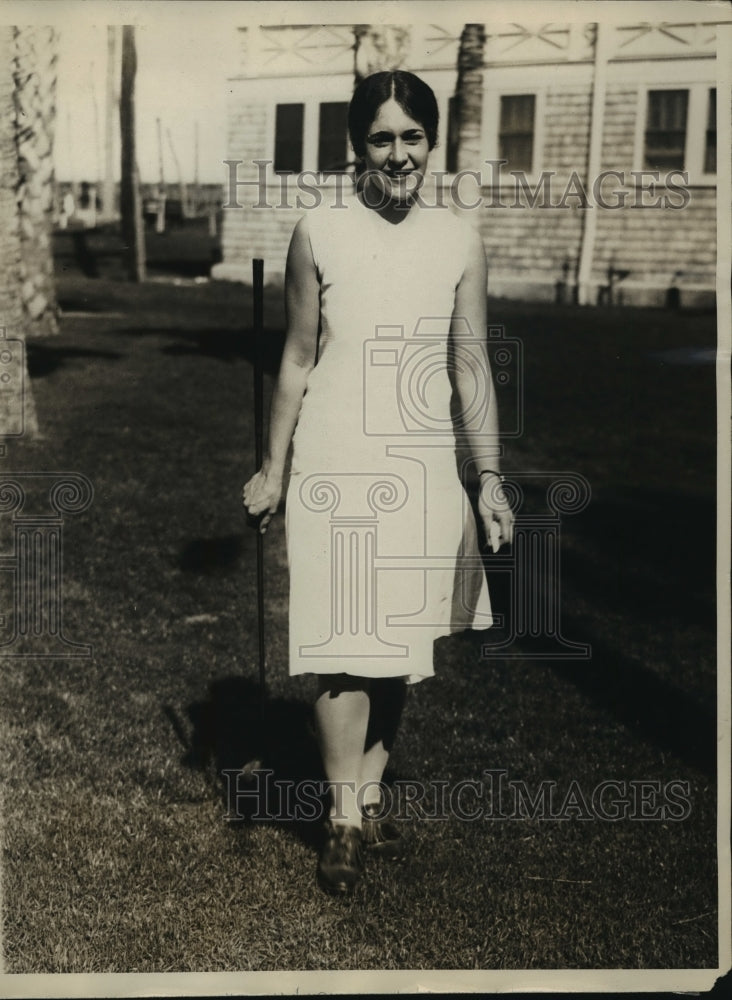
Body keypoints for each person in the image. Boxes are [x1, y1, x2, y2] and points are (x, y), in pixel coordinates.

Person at [243, 70, 514, 895]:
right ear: (357, 146)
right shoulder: (319, 229)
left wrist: (491, 478)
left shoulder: (458, 238)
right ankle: (342, 817)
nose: (398, 156)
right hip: (335, 461)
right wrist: (271, 466)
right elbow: (295, 356)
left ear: (433, 143)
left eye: (412, 138)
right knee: (341, 649)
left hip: (423, 465)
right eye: (381, 139)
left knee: (397, 651)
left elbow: (470, 367)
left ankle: (363, 801)